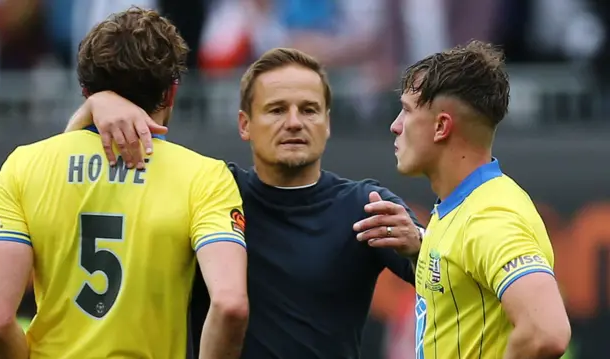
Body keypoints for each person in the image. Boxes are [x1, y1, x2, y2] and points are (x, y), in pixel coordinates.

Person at [65, 47, 424, 359]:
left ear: (327, 123)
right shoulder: (209, 188)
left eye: (310, 110)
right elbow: (78, 176)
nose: (295, 122)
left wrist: (419, 244)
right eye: (277, 110)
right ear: (244, 124)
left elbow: (447, 267)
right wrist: (96, 104)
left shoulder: (365, 205)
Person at [0, 7, 249, 359]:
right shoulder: (204, 176)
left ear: (85, 91)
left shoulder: (24, 166)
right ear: (170, 94)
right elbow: (230, 306)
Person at [360, 40, 571, 358]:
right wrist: (421, 246)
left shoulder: (491, 215)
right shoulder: (465, 207)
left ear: (441, 126)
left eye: (406, 111)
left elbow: (547, 332)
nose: (395, 126)